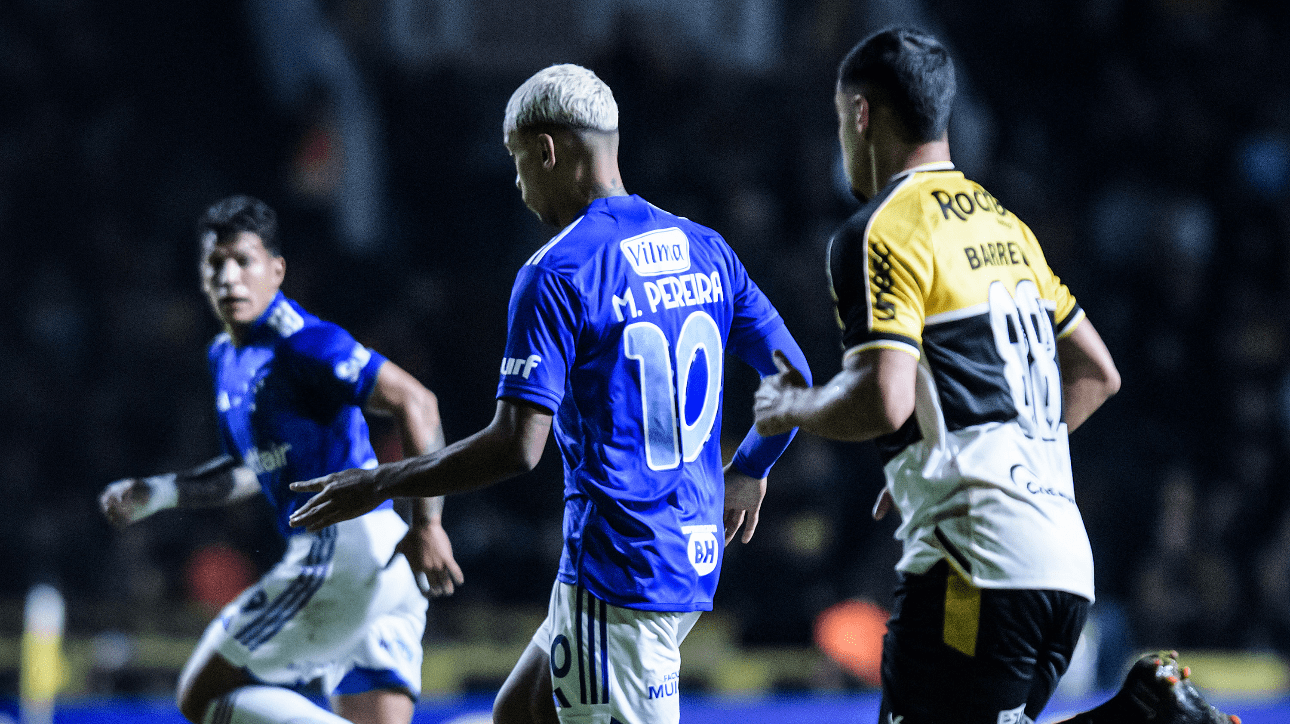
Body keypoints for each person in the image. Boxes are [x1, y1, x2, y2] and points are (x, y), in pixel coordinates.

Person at [286, 64, 811, 724]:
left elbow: (516, 448)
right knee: (519, 715)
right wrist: (752, 469)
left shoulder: (558, 271)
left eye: (516, 161)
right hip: (686, 554)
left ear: (546, 151)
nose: (517, 182)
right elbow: (794, 377)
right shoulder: (704, 247)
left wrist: (381, 484)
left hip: (619, 571)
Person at [751, 27, 1236, 724]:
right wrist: (980, 461)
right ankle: (1143, 711)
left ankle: (1146, 716)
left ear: (861, 116)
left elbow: (883, 399)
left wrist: (793, 406)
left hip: (974, 565)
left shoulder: (881, 229)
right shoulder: (1007, 227)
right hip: (1060, 563)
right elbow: (1098, 374)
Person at [99, 195, 464, 724]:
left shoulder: (305, 343)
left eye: (242, 261)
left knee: (201, 696)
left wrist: (428, 521)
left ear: (276, 269)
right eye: (214, 264)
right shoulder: (225, 357)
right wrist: (158, 493)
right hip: (383, 565)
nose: (228, 276)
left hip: (344, 550)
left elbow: (417, 402)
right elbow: (249, 469)